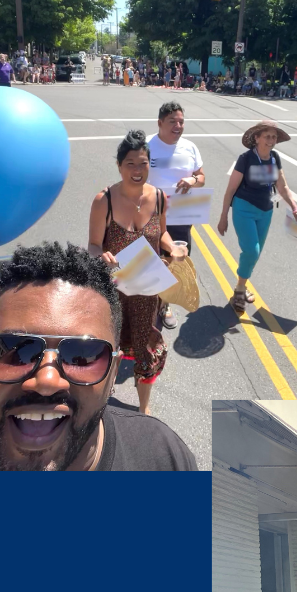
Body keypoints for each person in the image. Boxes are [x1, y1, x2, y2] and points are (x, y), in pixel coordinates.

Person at [0, 243, 198, 471]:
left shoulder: (164, 458)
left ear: (114, 372)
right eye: (15, 350)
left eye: (83, 355)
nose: (46, 380)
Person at [87, 130, 187, 416]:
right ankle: (100, 401)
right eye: (130, 163)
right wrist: (101, 255)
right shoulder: (103, 200)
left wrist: (173, 249)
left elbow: (164, 234)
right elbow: (93, 245)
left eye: (143, 163)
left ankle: (144, 409)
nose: (137, 170)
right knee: (110, 347)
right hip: (113, 290)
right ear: (119, 165)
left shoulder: (158, 197)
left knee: (145, 347)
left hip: (146, 289)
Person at [216, 121, 297, 315]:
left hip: (266, 211)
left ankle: (243, 282)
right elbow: (230, 189)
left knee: (255, 254)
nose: (271, 141)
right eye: (267, 136)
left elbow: (282, 187)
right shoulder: (246, 159)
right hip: (243, 209)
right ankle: (239, 291)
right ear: (257, 138)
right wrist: (223, 216)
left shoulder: (274, 158)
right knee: (252, 251)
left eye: (274, 137)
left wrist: (295, 208)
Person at [146, 101, 205, 328]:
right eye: (172, 121)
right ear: (160, 123)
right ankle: (150, 300)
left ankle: (165, 303)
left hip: (181, 214)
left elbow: (201, 177)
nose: (178, 126)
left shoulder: (190, 147)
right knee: (153, 259)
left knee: (176, 259)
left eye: (181, 121)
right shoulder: (147, 145)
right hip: (152, 213)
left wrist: (193, 180)